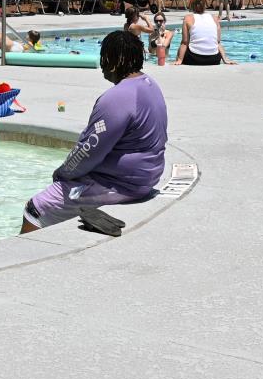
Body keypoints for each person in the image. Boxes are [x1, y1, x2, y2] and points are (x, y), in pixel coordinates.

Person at [21, 30, 168, 233]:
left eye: (104, 56)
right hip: (148, 176)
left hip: (120, 184)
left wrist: (62, 173)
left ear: (117, 59)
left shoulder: (117, 97)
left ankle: (27, 259)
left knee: (36, 207)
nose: (102, 63)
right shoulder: (150, 84)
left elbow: (88, 150)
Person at [177, 0, 232, 65]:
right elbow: (218, 42)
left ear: (192, 6)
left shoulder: (188, 18)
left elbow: (185, 42)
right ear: (204, 6)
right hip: (214, 59)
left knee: (181, 48)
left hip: (194, 58)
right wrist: (225, 59)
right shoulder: (214, 18)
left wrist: (179, 60)